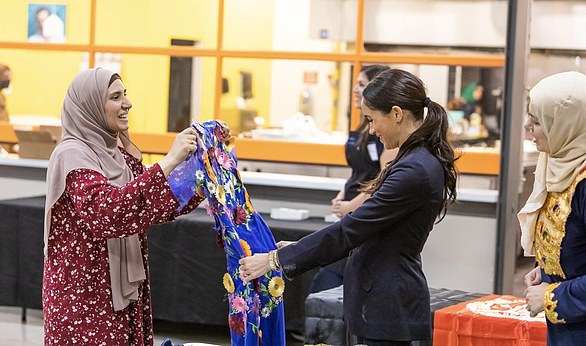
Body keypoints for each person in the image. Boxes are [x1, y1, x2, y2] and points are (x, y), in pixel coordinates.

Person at [239, 69, 457, 345]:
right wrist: (291, 249)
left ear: (397, 114)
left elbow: (350, 230)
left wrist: (275, 260)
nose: (372, 129)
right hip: (380, 305)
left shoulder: (415, 168)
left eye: (372, 120)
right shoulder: (413, 160)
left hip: (388, 308)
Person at [42, 68, 204, 345]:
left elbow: (155, 202)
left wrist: (203, 173)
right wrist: (170, 160)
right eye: (116, 96)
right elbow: (108, 214)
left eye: (125, 95)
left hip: (120, 296)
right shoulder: (72, 156)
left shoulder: (118, 155)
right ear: (90, 107)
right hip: (84, 301)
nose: (127, 103)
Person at [308, 64, 395, 294]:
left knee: (329, 281)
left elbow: (381, 179)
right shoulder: (362, 128)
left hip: (363, 217)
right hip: (349, 212)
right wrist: (342, 195)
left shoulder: (386, 136)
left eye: (362, 84)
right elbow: (360, 171)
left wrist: (351, 206)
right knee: (327, 278)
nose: (356, 90)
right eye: (356, 84)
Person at [520, 71, 586, 345]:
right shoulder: (560, 164)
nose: (527, 128)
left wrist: (552, 296)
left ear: (564, 125)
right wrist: (545, 270)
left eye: (536, 121)